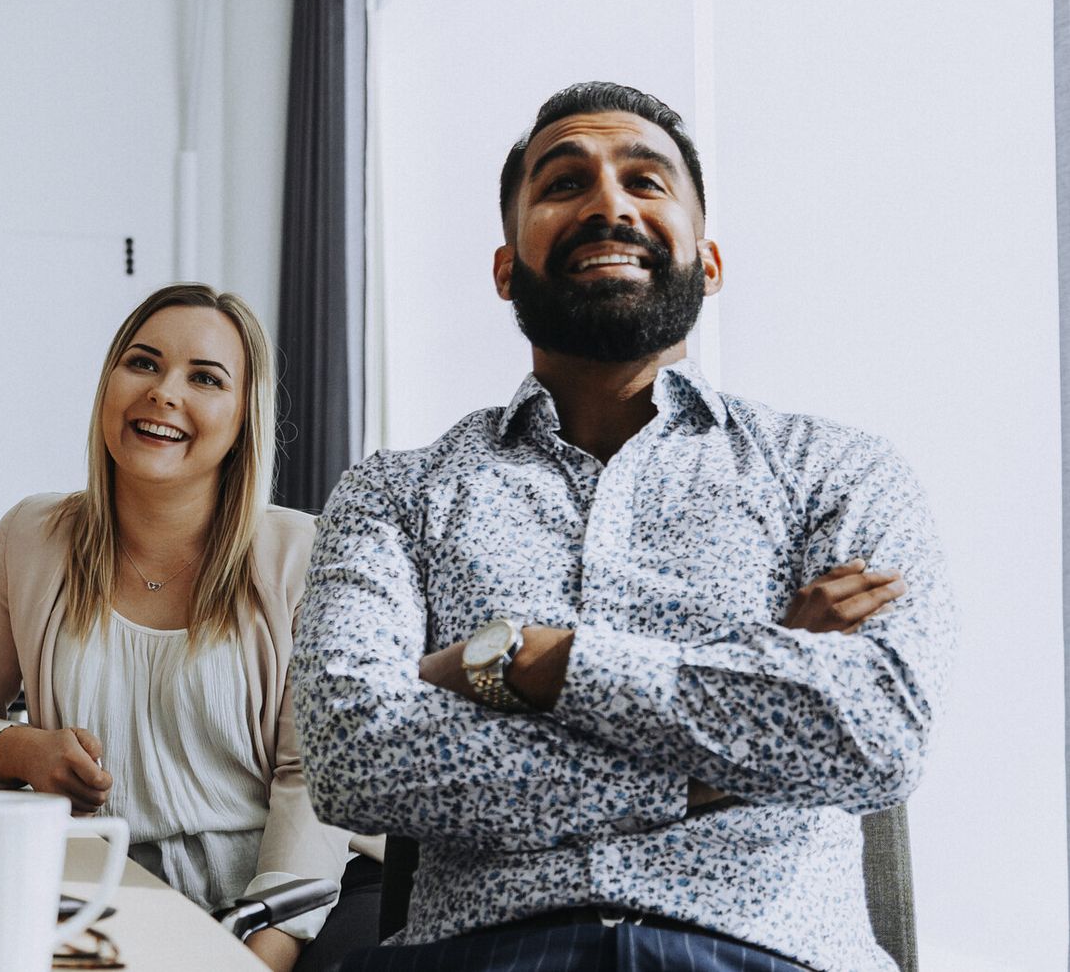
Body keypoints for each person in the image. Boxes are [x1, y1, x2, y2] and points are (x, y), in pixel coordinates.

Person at [291, 82, 954, 972]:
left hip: (767, 953)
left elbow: (875, 733)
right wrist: (733, 727)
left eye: (646, 181)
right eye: (564, 184)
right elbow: (352, 755)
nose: (608, 204)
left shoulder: (836, 473)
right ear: (504, 268)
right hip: (479, 956)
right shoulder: (394, 492)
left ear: (708, 261)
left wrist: (532, 659)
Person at [0, 282, 368, 972]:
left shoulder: (305, 555)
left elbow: (316, 785)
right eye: (143, 362)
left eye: (205, 378)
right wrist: (22, 750)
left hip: (292, 907)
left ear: (245, 414)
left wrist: (259, 956)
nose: (163, 392)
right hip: (110, 895)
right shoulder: (30, 538)